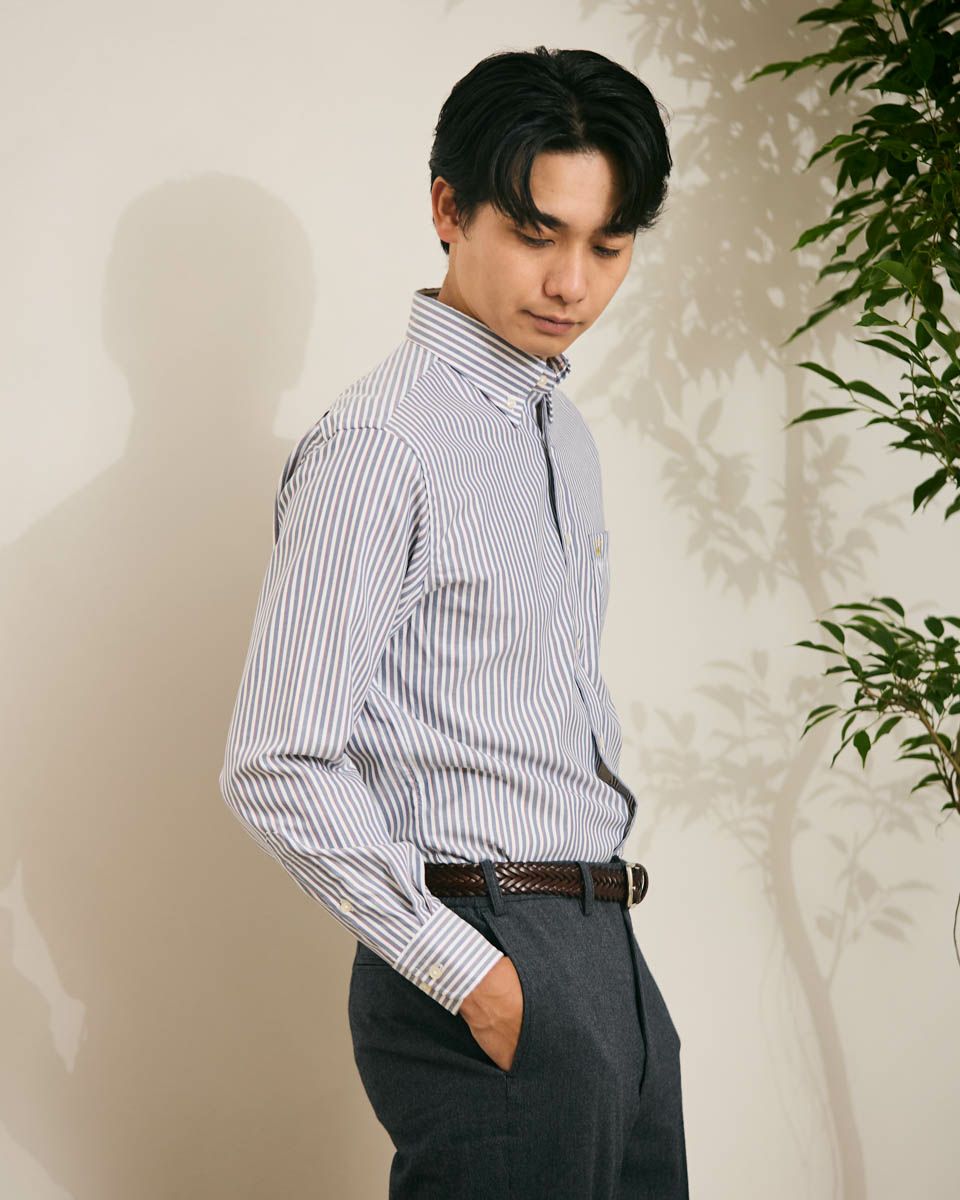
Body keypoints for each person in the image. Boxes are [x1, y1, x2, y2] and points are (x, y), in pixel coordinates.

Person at [219, 44, 687, 1198]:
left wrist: (606, 989)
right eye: (536, 234)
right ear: (448, 210)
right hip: (486, 943)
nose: (571, 283)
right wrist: (468, 974)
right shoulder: (383, 446)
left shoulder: (560, 431)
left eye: (608, 245)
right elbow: (275, 758)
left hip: (605, 945)